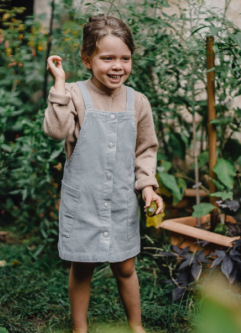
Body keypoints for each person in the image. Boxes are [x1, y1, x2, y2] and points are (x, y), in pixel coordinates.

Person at [43, 14, 163, 333]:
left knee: (125, 267)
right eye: (107, 57)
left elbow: (146, 150)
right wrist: (58, 86)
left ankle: (136, 326)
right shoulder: (74, 95)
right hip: (83, 202)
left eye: (125, 58)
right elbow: (56, 131)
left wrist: (148, 187)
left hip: (121, 201)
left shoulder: (138, 102)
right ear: (87, 59)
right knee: (82, 268)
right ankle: (79, 328)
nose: (117, 66)